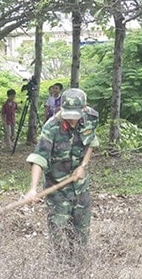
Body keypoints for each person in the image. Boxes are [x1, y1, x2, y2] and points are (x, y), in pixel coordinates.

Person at [22, 88, 99, 258]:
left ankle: (79, 270)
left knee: (81, 233)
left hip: (80, 188)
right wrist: (33, 189)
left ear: (84, 108)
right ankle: (59, 272)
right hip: (57, 188)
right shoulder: (51, 127)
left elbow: (91, 143)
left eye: (75, 116)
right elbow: (39, 158)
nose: (72, 121)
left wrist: (83, 166)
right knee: (59, 235)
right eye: (68, 116)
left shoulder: (91, 118)